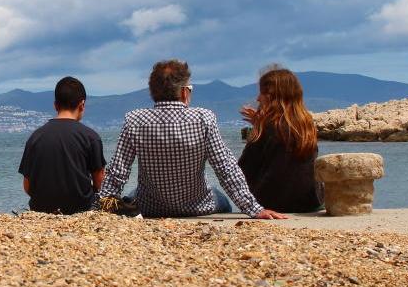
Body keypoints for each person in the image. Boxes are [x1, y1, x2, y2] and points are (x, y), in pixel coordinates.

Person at [98, 60, 287, 220]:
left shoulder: (135, 120)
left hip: (150, 208)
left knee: (132, 195)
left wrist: (103, 203)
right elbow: (225, 168)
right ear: (184, 92)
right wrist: (254, 209)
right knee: (222, 199)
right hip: (198, 206)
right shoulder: (204, 118)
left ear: (153, 91)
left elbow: (118, 171)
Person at [237, 66, 323, 213]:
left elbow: (242, 170)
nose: (258, 98)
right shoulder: (307, 126)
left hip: (270, 204)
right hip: (310, 203)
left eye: (262, 93)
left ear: (271, 96)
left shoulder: (266, 127)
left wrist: (258, 128)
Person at [18, 76, 106, 214]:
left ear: (55, 105)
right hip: (81, 209)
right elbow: (99, 181)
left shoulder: (35, 137)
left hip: (40, 209)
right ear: (82, 105)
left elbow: (27, 186)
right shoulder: (91, 137)